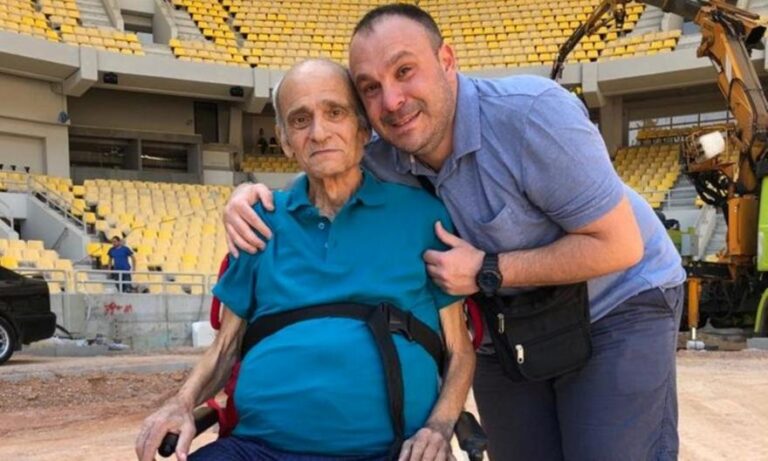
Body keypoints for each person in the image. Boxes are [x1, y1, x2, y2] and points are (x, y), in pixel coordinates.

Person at [222, 4, 687, 461]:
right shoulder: (383, 148)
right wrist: (248, 196)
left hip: (615, 300)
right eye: (371, 88)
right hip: (504, 318)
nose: (392, 101)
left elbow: (619, 245)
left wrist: (487, 269)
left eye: (405, 71)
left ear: (447, 60)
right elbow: (322, 162)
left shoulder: (533, 114)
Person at [136, 59, 475, 461]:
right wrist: (181, 402)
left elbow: (460, 350)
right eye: (300, 120)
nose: (319, 132)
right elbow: (225, 346)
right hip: (259, 450)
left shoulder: (421, 216)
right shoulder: (257, 222)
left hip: (391, 452)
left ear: (363, 129)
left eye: (335, 112)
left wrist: (439, 427)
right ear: (284, 140)